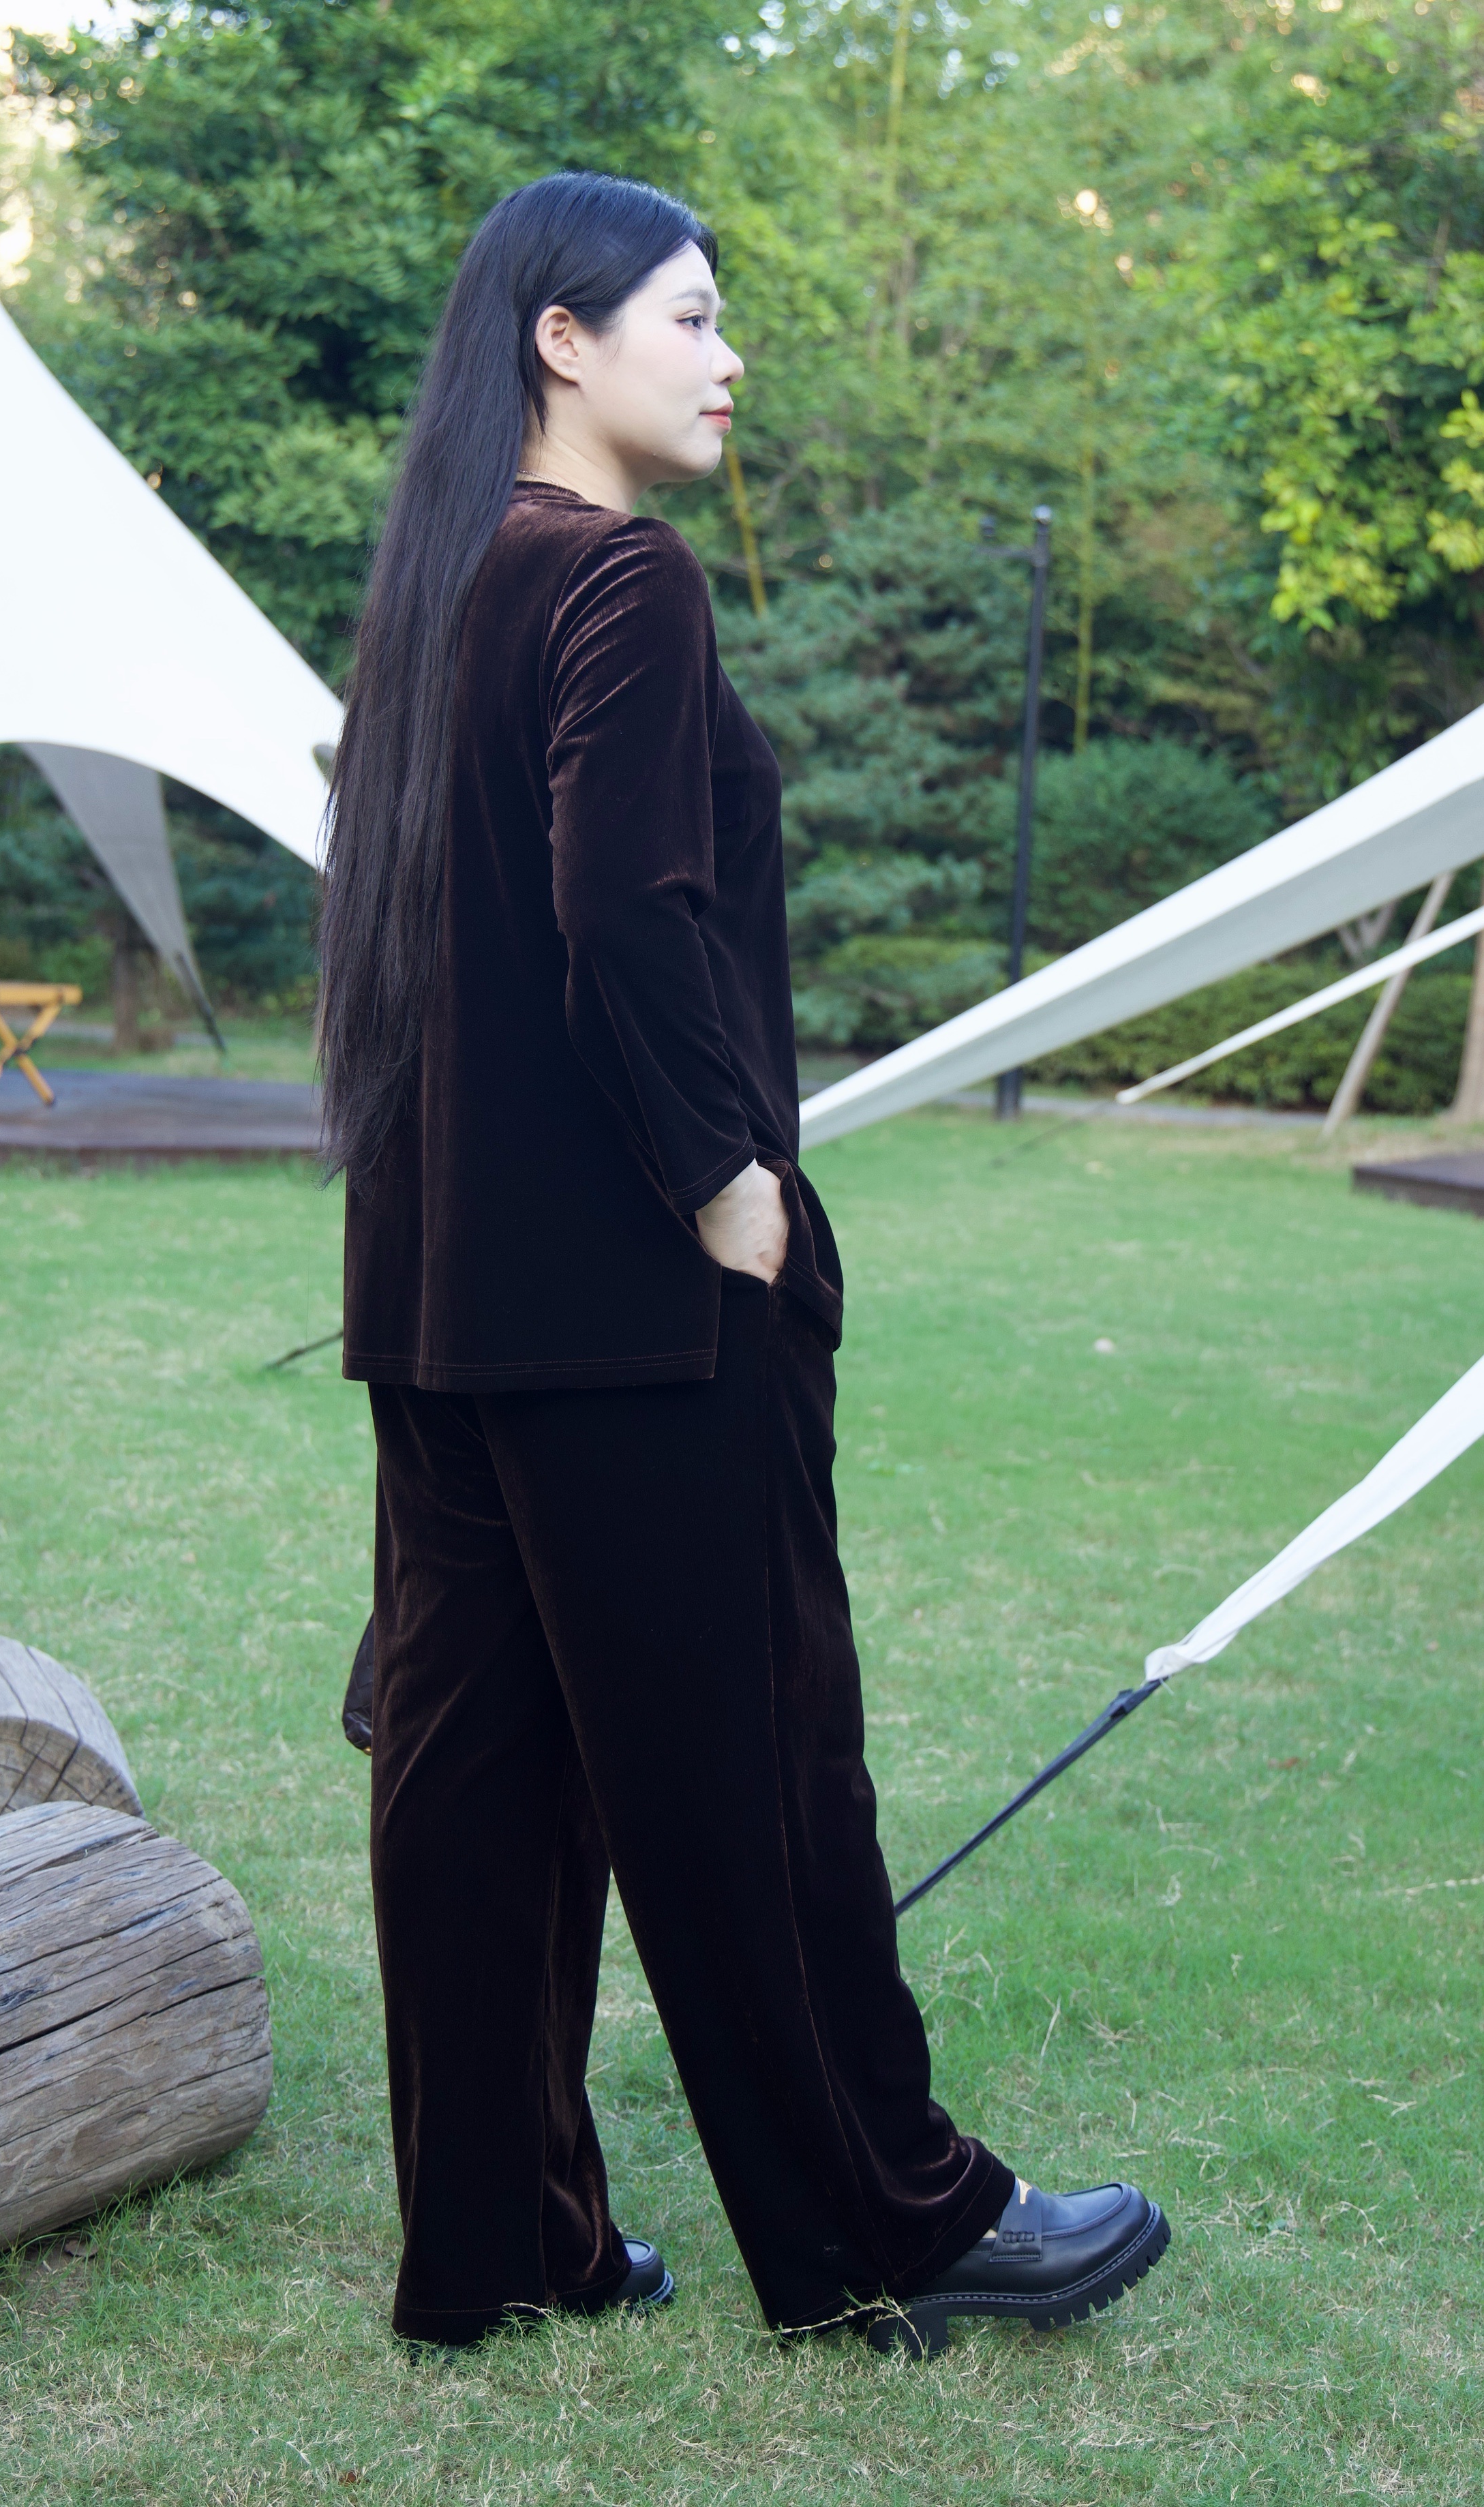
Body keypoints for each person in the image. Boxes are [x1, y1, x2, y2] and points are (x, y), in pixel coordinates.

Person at [318, 168, 1170, 2360]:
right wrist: (727, 1184)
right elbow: (621, 912)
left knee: (476, 1771)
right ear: (562, 338)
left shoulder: (436, 591)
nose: (726, 357)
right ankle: (894, 2221)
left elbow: (421, 964)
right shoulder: (619, 578)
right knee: (760, 1761)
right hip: (633, 1298)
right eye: (689, 315)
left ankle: (498, 2245)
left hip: (441, 1299)